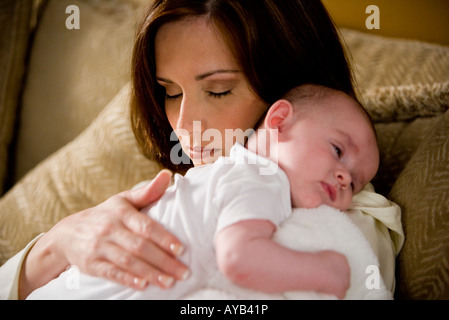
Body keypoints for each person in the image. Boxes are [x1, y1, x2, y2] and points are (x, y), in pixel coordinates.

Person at [0, 0, 403, 300]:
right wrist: (59, 244)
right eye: (170, 92)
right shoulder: (199, 189)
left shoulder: (341, 220)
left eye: (218, 90)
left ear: (286, 100)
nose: (184, 124)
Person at [27, 84, 379, 300]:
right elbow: (239, 259)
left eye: (356, 181)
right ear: (279, 121)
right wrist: (324, 271)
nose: (344, 177)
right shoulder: (262, 178)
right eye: (336, 150)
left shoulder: (220, 175)